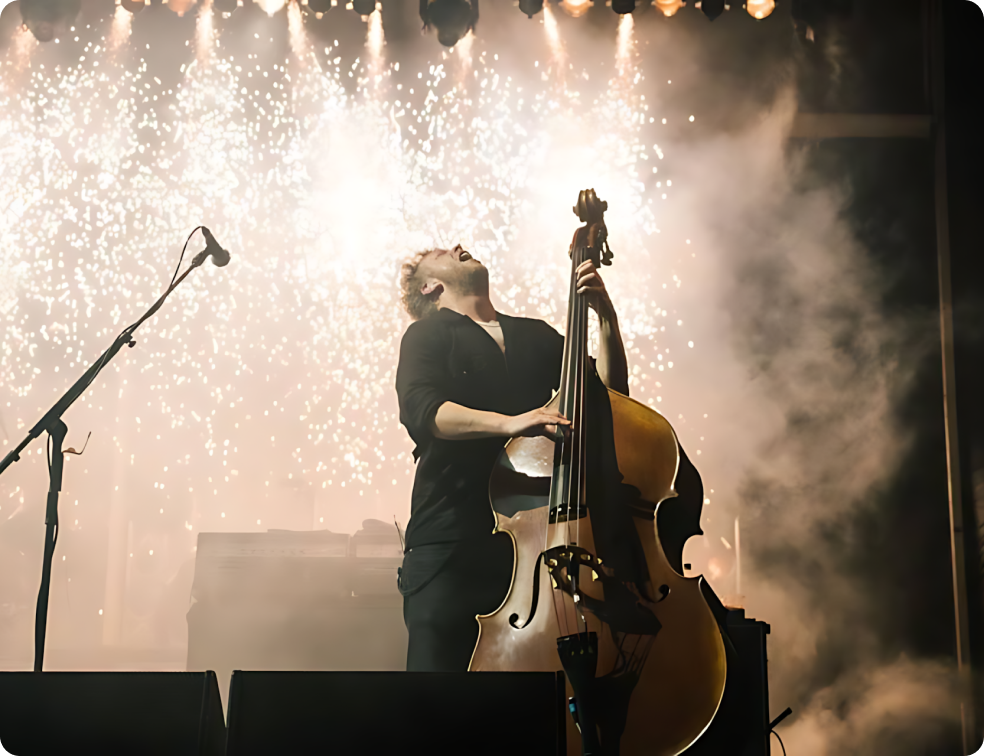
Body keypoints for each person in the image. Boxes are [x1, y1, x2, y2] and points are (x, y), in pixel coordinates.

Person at [395, 243, 629, 672]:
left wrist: (606, 319)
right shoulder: (428, 334)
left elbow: (612, 399)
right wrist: (513, 423)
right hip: (451, 542)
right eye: (446, 252)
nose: (461, 247)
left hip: (531, 549)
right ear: (430, 286)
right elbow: (427, 412)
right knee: (436, 699)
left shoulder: (535, 335)